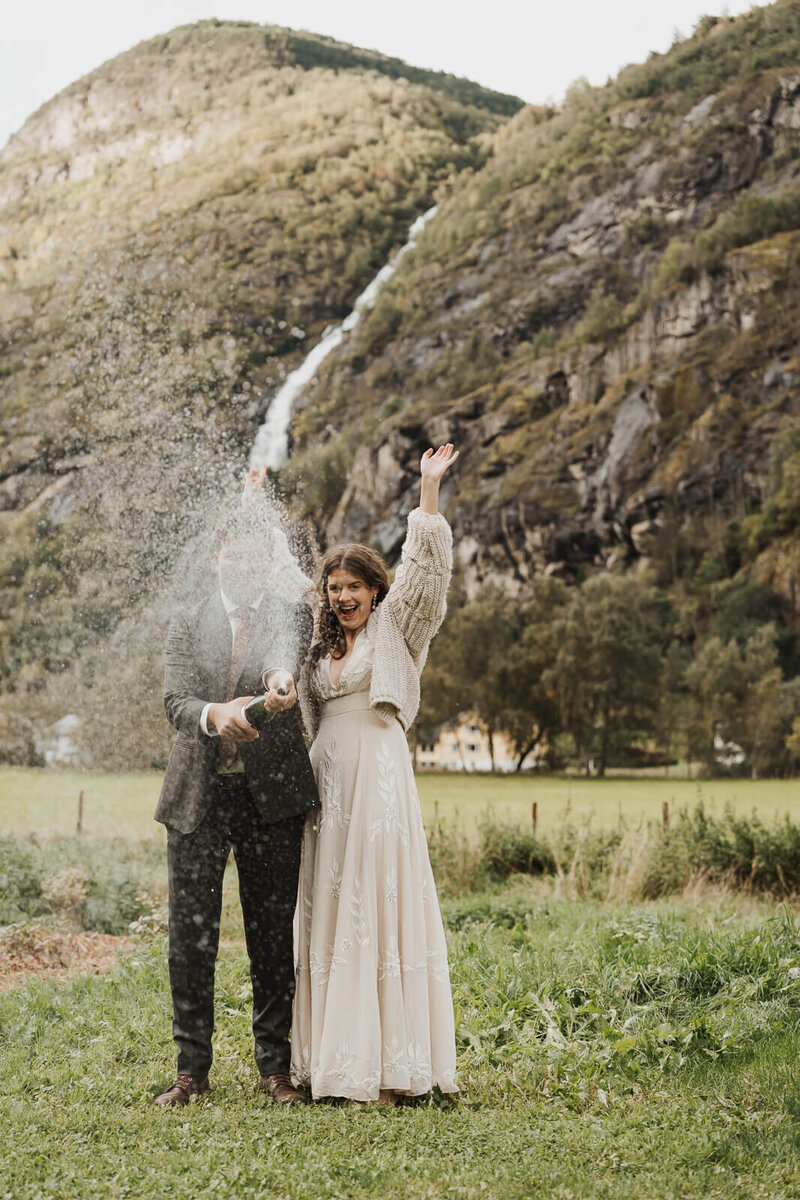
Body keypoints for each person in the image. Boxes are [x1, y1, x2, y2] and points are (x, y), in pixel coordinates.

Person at [291, 443, 460, 1105]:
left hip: (379, 775)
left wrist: (428, 492)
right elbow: (281, 580)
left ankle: (387, 1069)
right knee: (332, 905)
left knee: (375, 900)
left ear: (374, 591)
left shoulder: (396, 627)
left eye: (353, 588)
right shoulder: (319, 641)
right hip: (327, 785)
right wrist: (250, 510)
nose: (343, 598)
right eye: (334, 589)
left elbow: (426, 573)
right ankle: (334, 1062)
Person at [153, 494, 319, 1109]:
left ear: (269, 563)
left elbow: (283, 666)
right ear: (217, 558)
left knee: (271, 934)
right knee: (190, 937)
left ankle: (275, 1069)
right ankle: (190, 1070)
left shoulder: (290, 614)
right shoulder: (186, 619)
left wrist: (279, 682)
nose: (246, 565)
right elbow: (176, 701)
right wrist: (213, 714)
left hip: (270, 800)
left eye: (257, 557)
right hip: (196, 800)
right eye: (236, 555)